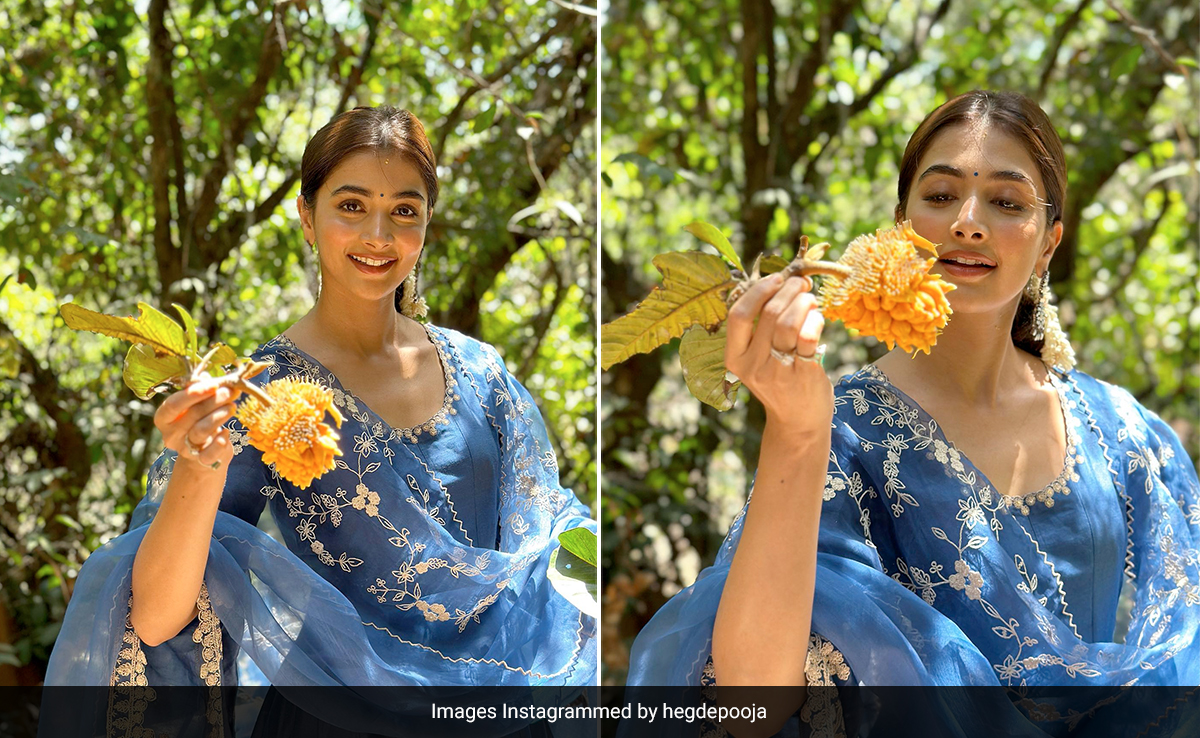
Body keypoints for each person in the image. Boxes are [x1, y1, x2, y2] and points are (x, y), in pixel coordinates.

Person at [625, 91, 1200, 733]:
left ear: (1048, 244)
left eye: (1006, 203)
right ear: (902, 225)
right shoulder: (841, 429)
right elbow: (749, 708)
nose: (968, 222)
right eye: (940, 195)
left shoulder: (1121, 432)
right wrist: (796, 431)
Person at [43, 106, 597, 733]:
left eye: (405, 211)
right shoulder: (255, 392)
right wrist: (199, 466)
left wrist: (595, 568)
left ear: (426, 225)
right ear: (307, 216)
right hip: (336, 718)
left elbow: (555, 529)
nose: (379, 236)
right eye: (352, 206)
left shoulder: (482, 373)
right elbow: (156, 618)